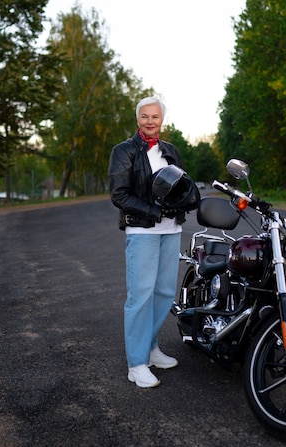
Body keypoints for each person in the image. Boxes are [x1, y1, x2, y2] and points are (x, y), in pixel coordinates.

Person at [108, 97, 190, 388]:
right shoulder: (124, 151)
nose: (150, 121)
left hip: (171, 230)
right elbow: (119, 195)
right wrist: (154, 212)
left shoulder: (170, 151)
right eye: (145, 116)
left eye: (155, 116)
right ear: (137, 118)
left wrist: (185, 205)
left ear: (162, 119)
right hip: (142, 230)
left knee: (164, 293)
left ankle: (151, 348)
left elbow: (181, 186)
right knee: (140, 297)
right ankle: (137, 363)